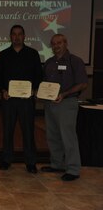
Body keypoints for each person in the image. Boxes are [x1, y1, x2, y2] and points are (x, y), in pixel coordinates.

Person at [0, 25, 42, 173]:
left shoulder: (33, 54)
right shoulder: (3, 55)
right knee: (8, 130)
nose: (17, 37)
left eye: (19, 34)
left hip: (26, 100)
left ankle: (30, 161)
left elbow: (38, 75)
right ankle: (6, 159)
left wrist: (34, 89)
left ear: (24, 36)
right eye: (14, 34)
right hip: (8, 99)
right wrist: (3, 90)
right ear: (10, 37)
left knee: (28, 131)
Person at [40, 34, 87, 181]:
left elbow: (83, 84)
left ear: (66, 43)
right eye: (53, 44)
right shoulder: (49, 63)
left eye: (59, 43)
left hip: (67, 103)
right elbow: (44, 83)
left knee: (68, 136)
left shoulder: (75, 61)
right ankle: (57, 164)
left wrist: (64, 94)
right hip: (50, 104)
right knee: (52, 135)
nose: (56, 46)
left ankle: (73, 169)